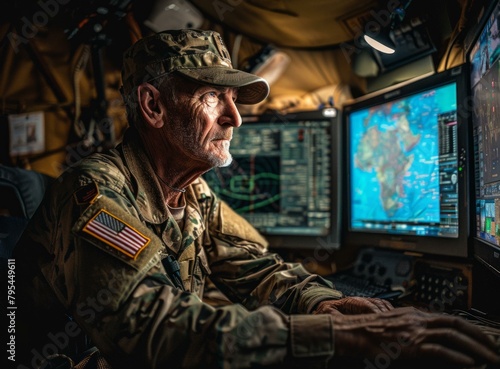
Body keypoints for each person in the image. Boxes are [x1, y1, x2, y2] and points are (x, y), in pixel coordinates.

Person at [14, 29, 499, 369]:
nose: (236, 118)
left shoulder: (193, 193)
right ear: (153, 106)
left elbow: (256, 267)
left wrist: (326, 306)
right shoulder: (94, 192)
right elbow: (149, 334)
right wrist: (340, 339)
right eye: (211, 98)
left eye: (235, 100)